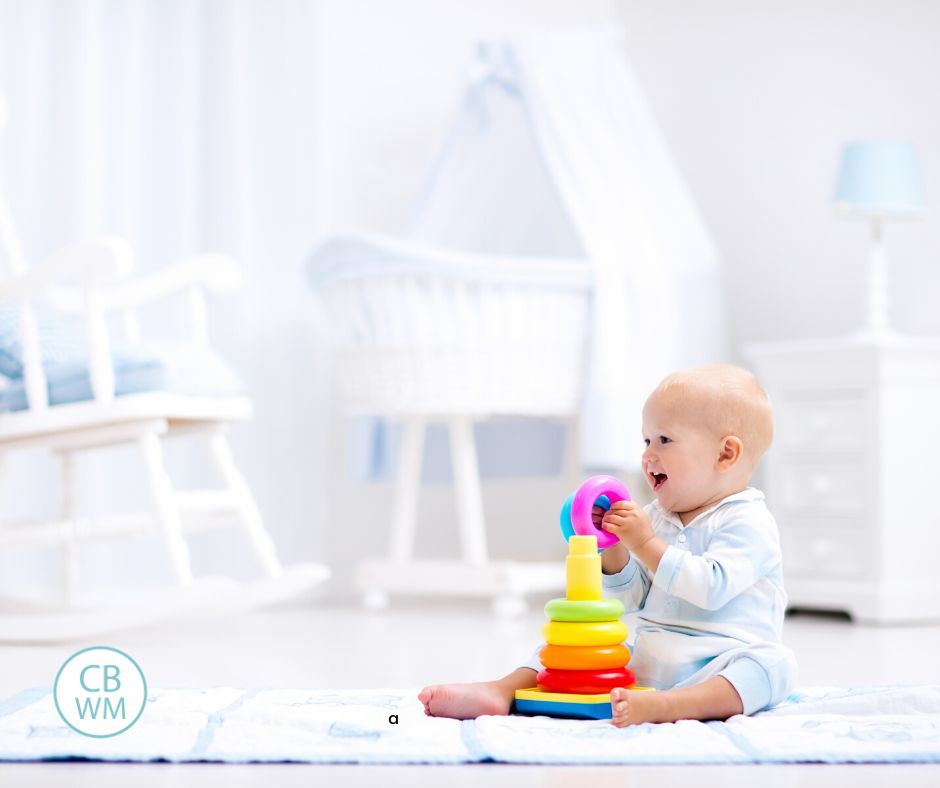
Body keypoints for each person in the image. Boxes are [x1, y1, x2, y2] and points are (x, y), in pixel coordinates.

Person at [418, 363, 796, 727]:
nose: (648, 455)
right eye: (646, 440)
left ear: (725, 454)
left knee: (771, 666)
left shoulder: (748, 521)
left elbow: (709, 587)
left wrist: (644, 542)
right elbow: (631, 601)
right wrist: (614, 550)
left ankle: (671, 705)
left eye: (664, 440)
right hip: (651, 661)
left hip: (720, 664)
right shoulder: (658, 518)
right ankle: (501, 690)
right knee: (567, 650)